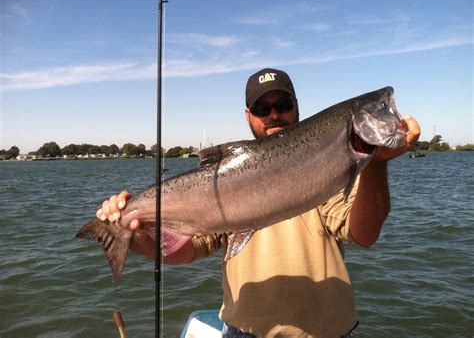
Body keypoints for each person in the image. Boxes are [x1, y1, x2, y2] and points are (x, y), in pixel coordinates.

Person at [97, 68, 420, 338]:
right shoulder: (225, 180)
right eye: (263, 109)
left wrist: (378, 163)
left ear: (296, 106)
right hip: (244, 331)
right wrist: (135, 234)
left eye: (282, 104)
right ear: (248, 115)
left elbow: (364, 235)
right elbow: (186, 251)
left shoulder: (332, 169)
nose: (274, 114)